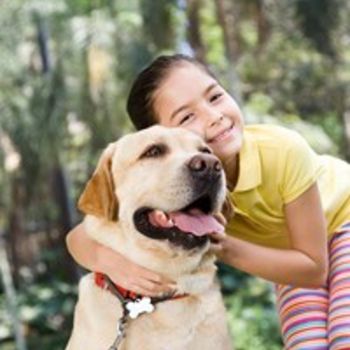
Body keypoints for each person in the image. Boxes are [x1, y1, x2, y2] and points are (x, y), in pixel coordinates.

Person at [66, 54, 350, 349]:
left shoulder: (282, 150)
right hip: (296, 255)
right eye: (186, 117)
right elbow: (79, 237)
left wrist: (225, 246)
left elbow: (315, 268)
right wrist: (114, 264)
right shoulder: (181, 188)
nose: (214, 116)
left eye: (215, 96)